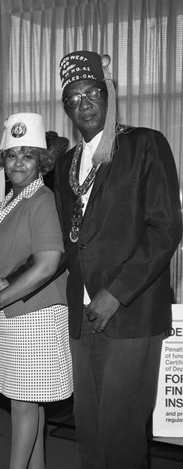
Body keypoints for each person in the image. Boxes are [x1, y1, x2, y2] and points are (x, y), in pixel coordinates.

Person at [55, 51, 182, 468]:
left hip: (130, 310)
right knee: (88, 426)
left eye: (93, 92)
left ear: (109, 94)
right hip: (82, 316)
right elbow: (66, 242)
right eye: (73, 98)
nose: (84, 103)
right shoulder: (66, 164)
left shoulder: (144, 143)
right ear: (66, 108)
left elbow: (165, 229)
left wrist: (115, 294)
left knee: (121, 428)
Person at [0, 113, 72, 469]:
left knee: (23, 407)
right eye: (12, 154)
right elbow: (10, 260)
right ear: (2, 160)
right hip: (9, 314)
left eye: (28, 155)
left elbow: (47, 264)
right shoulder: (8, 201)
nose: (19, 162)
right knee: (28, 405)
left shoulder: (42, 200)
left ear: (43, 161)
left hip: (34, 316)